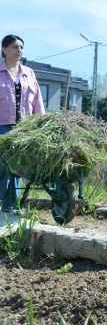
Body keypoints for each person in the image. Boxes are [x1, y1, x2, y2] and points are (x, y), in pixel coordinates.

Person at [0, 34, 46, 213]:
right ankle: (9, 205)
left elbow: (38, 101)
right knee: (5, 165)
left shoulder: (29, 73)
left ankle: (11, 203)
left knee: (18, 166)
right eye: (14, 47)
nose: (18, 50)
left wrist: (42, 122)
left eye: (21, 47)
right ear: (4, 50)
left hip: (24, 128)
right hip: (2, 127)